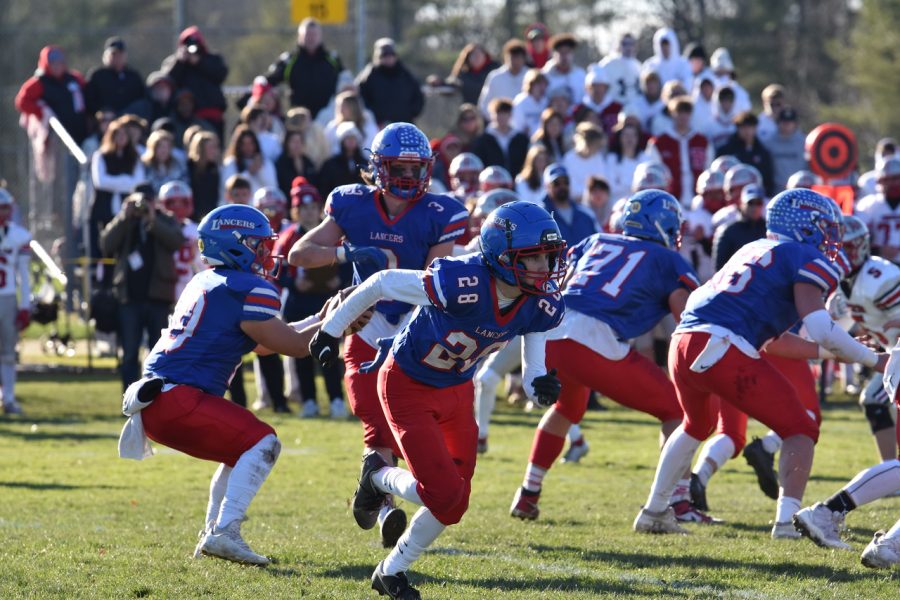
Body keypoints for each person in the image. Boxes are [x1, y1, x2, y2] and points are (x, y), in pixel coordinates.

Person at [308, 200, 566, 597]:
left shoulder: (539, 303)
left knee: (454, 503)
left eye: (550, 256)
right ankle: (377, 476)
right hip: (406, 386)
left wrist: (541, 388)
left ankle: (390, 572)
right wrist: (331, 329)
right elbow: (381, 283)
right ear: (500, 256)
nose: (544, 268)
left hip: (458, 390)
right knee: (444, 494)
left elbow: (533, 375)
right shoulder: (462, 281)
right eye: (533, 258)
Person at [633, 188, 888, 537]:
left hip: (685, 341)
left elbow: (774, 342)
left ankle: (654, 510)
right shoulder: (802, 255)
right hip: (722, 344)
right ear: (806, 227)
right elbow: (821, 327)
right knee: (801, 428)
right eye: (825, 228)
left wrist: (831, 352)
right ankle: (786, 522)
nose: (831, 239)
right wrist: (876, 360)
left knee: (695, 425)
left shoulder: (752, 249)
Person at [121, 202, 365, 566]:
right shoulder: (246, 287)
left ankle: (213, 534)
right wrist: (340, 320)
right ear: (233, 244)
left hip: (156, 402)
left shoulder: (209, 281)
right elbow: (297, 346)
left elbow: (267, 343)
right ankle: (224, 532)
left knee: (241, 450)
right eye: (257, 244)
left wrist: (323, 316)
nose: (266, 252)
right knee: (263, 442)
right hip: (178, 399)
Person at [289, 123, 468, 550]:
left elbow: (433, 284)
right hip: (362, 321)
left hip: (414, 324)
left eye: (414, 168)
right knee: (374, 418)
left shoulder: (440, 212)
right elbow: (299, 254)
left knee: (409, 424)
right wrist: (345, 252)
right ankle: (386, 507)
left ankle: (376, 494)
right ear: (377, 167)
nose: (407, 177)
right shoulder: (352, 203)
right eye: (397, 167)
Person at [511, 190, 704, 522]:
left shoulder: (595, 241)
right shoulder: (668, 259)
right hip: (593, 338)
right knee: (676, 410)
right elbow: (685, 319)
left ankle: (528, 494)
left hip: (550, 329)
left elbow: (557, 280)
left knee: (568, 407)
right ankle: (678, 503)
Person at [100, 189, 185, 390]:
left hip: (158, 297)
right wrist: (124, 217)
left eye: (147, 200)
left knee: (160, 352)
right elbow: (106, 244)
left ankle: (159, 397)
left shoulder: (165, 219)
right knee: (129, 353)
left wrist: (153, 220)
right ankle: (129, 400)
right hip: (129, 298)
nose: (142, 205)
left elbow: (176, 242)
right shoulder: (126, 220)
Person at [274, 178, 346, 418]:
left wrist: (341, 281)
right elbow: (277, 269)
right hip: (299, 300)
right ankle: (308, 400)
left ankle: (336, 398)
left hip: (326, 298)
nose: (308, 213)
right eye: (303, 209)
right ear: (296, 211)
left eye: (313, 208)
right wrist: (294, 282)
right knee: (300, 350)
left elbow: (348, 260)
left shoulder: (330, 234)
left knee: (330, 350)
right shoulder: (288, 237)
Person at [833, 216, 900, 461]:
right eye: (837, 249)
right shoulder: (843, 283)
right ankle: (891, 472)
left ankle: (891, 472)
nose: (841, 255)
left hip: (898, 354)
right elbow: (857, 321)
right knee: (874, 400)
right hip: (894, 353)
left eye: (847, 248)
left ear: (862, 245)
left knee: (875, 399)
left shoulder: (880, 276)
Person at [264, 17, 343, 118]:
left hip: (328, 117)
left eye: (314, 35)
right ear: (300, 36)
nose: (311, 38)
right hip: (297, 118)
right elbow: (268, 80)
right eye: (307, 35)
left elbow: (346, 83)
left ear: (320, 36)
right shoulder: (289, 60)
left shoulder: (333, 59)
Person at [90, 116, 146, 258]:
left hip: (128, 208)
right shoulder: (101, 156)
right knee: (105, 243)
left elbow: (138, 182)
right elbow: (100, 182)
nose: (121, 138)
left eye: (124, 135)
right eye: (117, 135)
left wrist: (115, 182)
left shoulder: (134, 157)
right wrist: (125, 181)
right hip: (104, 207)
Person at [161, 26, 228, 140]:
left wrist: (200, 62)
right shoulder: (175, 62)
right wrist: (180, 61)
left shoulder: (212, 59)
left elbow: (221, 74)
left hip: (213, 116)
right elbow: (167, 81)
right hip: (187, 117)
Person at [645, 97, 713, 206]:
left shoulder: (702, 142)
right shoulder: (659, 143)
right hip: (669, 201)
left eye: (687, 112)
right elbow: (654, 171)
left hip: (698, 201)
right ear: (672, 113)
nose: (683, 116)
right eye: (679, 111)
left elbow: (709, 169)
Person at [15, 45, 88, 146]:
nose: (57, 66)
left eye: (60, 63)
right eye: (53, 63)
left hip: (80, 131)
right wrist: (41, 111)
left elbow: (88, 94)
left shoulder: (74, 78)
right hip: (56, 137)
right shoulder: (39, 82)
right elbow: (22, 102)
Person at [0, 189, 32, 415]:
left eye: (4, 208)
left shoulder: (18, 235)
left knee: (8, 354)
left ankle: (8, 398)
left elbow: (24, 275)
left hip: (7, 297)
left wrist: (24, 306)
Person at [356, 38, 425, 126]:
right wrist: (372, 117)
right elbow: (360, 98)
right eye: (385, 55)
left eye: (391, 55)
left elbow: (418, 95)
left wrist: (412, 113)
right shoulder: (369, 75)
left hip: (403, 124)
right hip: (377, 126)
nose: (389, 58)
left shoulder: (405, 75)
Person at [158, 181, 203, 299]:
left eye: (182, 202)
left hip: (190, 286)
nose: (177, 207)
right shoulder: (158, 228)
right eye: (171, 202)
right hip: (165, 287)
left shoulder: (197, 230)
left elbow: (203, 266)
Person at [716, 111, 775, 196]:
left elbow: (767, 179)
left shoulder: (763, 152)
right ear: (738, 128)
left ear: (755, 128)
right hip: (733, 196)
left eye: (750, 127)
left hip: (755, 198)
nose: (747, 131)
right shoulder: (725, 151)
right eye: (743, 127)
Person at [85, 37, 145, 117]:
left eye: (120, 53)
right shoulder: (97, 75)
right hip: (104, 122)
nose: (117, 57)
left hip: (129, 121)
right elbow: (89, 101)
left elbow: (142, 99)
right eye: (113, 54)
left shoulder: (133, 76)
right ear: (105, 55)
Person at [855, 155, 900, 263]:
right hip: (878, 265)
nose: (893, 183)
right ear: (879, 181)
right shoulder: (868, 205)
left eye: (896, 179)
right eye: (887, 179)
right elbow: (857, 239)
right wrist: (877, 249)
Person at [711, 184, 767, 271]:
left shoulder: (769, 230)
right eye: (750, 203)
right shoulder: (728, 231)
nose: (754, 207)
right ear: (741, 203)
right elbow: (719, 269)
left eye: (758, 203)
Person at [541, 163, 598, 245]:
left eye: (566, 182)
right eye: (556, 183)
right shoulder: (541, 217)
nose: (562, 186)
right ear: (546, 186)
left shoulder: (586, 214)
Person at [471, 98, 529, 177]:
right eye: (498, 113)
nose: (501, 117)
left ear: (510, 115)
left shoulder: (521, 139)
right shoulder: (483, 140)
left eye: (505, 113)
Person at [478, 39, 528, 117]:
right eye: (512, 57)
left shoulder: (530, 76)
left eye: (517, 57)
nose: (514, 61)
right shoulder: (495, 76)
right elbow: (484, 104)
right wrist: (497, 121)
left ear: (524, 58)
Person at [221, 125, 277, 194]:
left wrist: (261, 170)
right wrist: (249, 172)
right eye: (243, 144)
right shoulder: (230, 163)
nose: (248, 147)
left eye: (250, 143)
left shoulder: (266, 163)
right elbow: (228, 189)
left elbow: (272, 188)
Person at [316, 122, 367, 197]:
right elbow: (324, 187)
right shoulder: (331, 165)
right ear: (342, 141)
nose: (351, 141)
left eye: (353, 138)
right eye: (348, 138)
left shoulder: (364, 163)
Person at [762, 108, 807, 192]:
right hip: (775, 191)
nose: (787, 125)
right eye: (784, 122)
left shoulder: (805, 142)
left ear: (795, 123)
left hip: (799, 190)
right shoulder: (768, 143)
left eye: (790, 122)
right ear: (778, 123)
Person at [562, 122, 608, 201]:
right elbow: (570, 186)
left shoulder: (598, 158)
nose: (597, 148)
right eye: (595, 144)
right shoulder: (568, 159)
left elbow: (602, 181)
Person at [598, 33, 642, 106]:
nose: (628, 47)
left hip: (633, 108)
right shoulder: (609, 63)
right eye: (625, 44)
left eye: (631, 44)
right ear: (619, 45)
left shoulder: (638, 66)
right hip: (613, 107)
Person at [186, 131, 221, 220]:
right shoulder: (188, 168)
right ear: (200, 149)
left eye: (215, 147)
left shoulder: (214, 170)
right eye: (211, 147)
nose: (214, 151)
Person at [142, 130, 187, 196]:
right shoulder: (144, 165)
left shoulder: (178, 165)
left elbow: (184, 186)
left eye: (167, 147)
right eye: (160, 146)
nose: (164, 150)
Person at [275, 130, 318, 199]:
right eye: (293, 142)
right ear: (287, 143)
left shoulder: (308, 162)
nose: (297, 145)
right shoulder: (280, 164)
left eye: (299, 141)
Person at [708, 48, 751, 114]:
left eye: (723, 73)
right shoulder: (707, 90)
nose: (721, 77)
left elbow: (746, 112)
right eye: (718, 73)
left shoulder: (740, 92)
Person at [511, 69, 549, 137]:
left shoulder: (545, 101)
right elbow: (517, 125)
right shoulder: (521, 101)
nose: (542, 88)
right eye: (539, 84)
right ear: (531, 85)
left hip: (541, 138)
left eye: (544, 84)